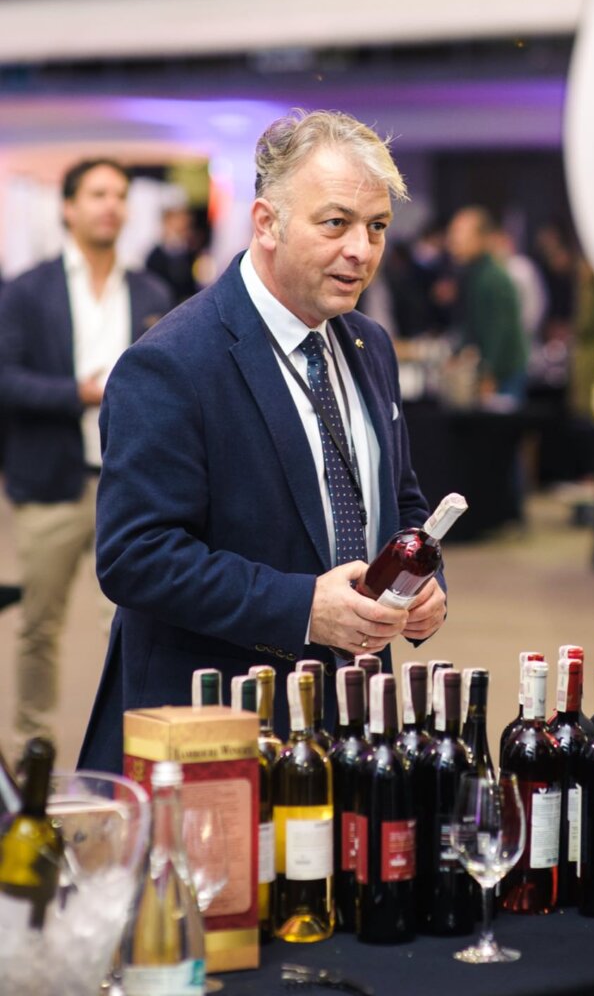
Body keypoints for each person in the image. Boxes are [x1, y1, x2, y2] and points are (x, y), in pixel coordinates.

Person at [79, 110, 446, 772]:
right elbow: (135, 557)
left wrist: (421, 578)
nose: (361, 249)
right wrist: (304, 607)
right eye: (335, 223)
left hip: (355, 720)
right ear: (266, 222)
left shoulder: (370, 347)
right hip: (218, 728)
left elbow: (401, 498)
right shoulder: (172, 362)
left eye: (377, 226)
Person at [0, 159, 172, 747]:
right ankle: (34, 750)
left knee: (132, 624)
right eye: (98, 193)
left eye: (120, 194)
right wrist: (80, 393)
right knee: (39, 626)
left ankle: (134, 749)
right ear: (68, 206)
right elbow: (6, 379)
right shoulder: (28, 289)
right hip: (52, 479)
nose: (111, 205)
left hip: (132, 482)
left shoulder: (151, 291)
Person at [445, 206, 529, 405]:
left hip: (505, 372)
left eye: (460, 233)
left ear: (481, 238)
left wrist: (490, 374)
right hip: (491, 370)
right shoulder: (473, 273)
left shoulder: (493, 277)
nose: (453, 240)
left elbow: (500, 330)